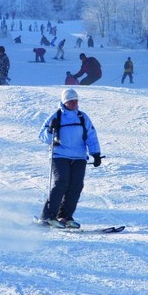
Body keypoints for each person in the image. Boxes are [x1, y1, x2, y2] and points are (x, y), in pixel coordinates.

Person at [37, 88, 101, 229]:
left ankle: (65, 216)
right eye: (71, 101)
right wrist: (50, 130)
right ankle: (48, 216)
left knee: (76, 185)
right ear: (64, 102)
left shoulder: (82, 117)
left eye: (76, 101)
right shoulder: (56, 117)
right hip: (60, 155)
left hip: (79, 157)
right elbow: (42, 136)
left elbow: (91, 135)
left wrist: (95, 153)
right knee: (61, 182)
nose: (74, 103)